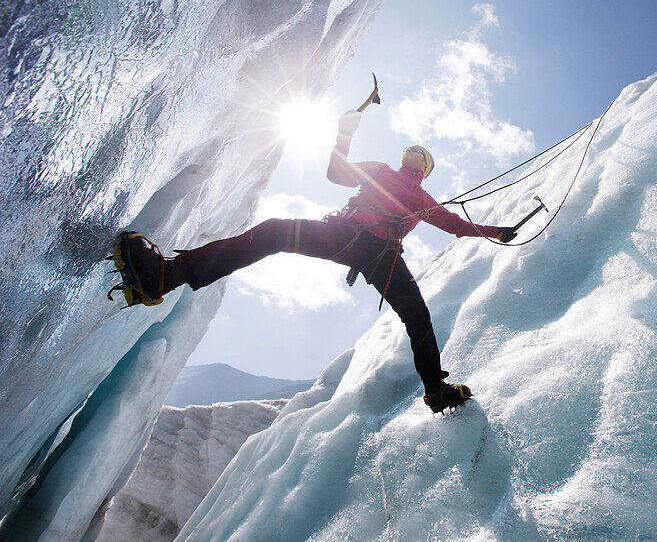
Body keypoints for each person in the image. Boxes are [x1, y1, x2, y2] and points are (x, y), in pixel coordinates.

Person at [111, 98, 517, 414]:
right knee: (274, 232)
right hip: (360, 242)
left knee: (416, 313)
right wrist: (344, 132)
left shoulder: (420, 196)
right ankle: (166, 276)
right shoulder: (382, 172)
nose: (412, 155)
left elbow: (455, 225)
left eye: (419, 154)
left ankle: (435, 388)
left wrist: (496, 231)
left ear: (424, 168)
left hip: (370, 248)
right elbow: (337, 174)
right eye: (411, 151)